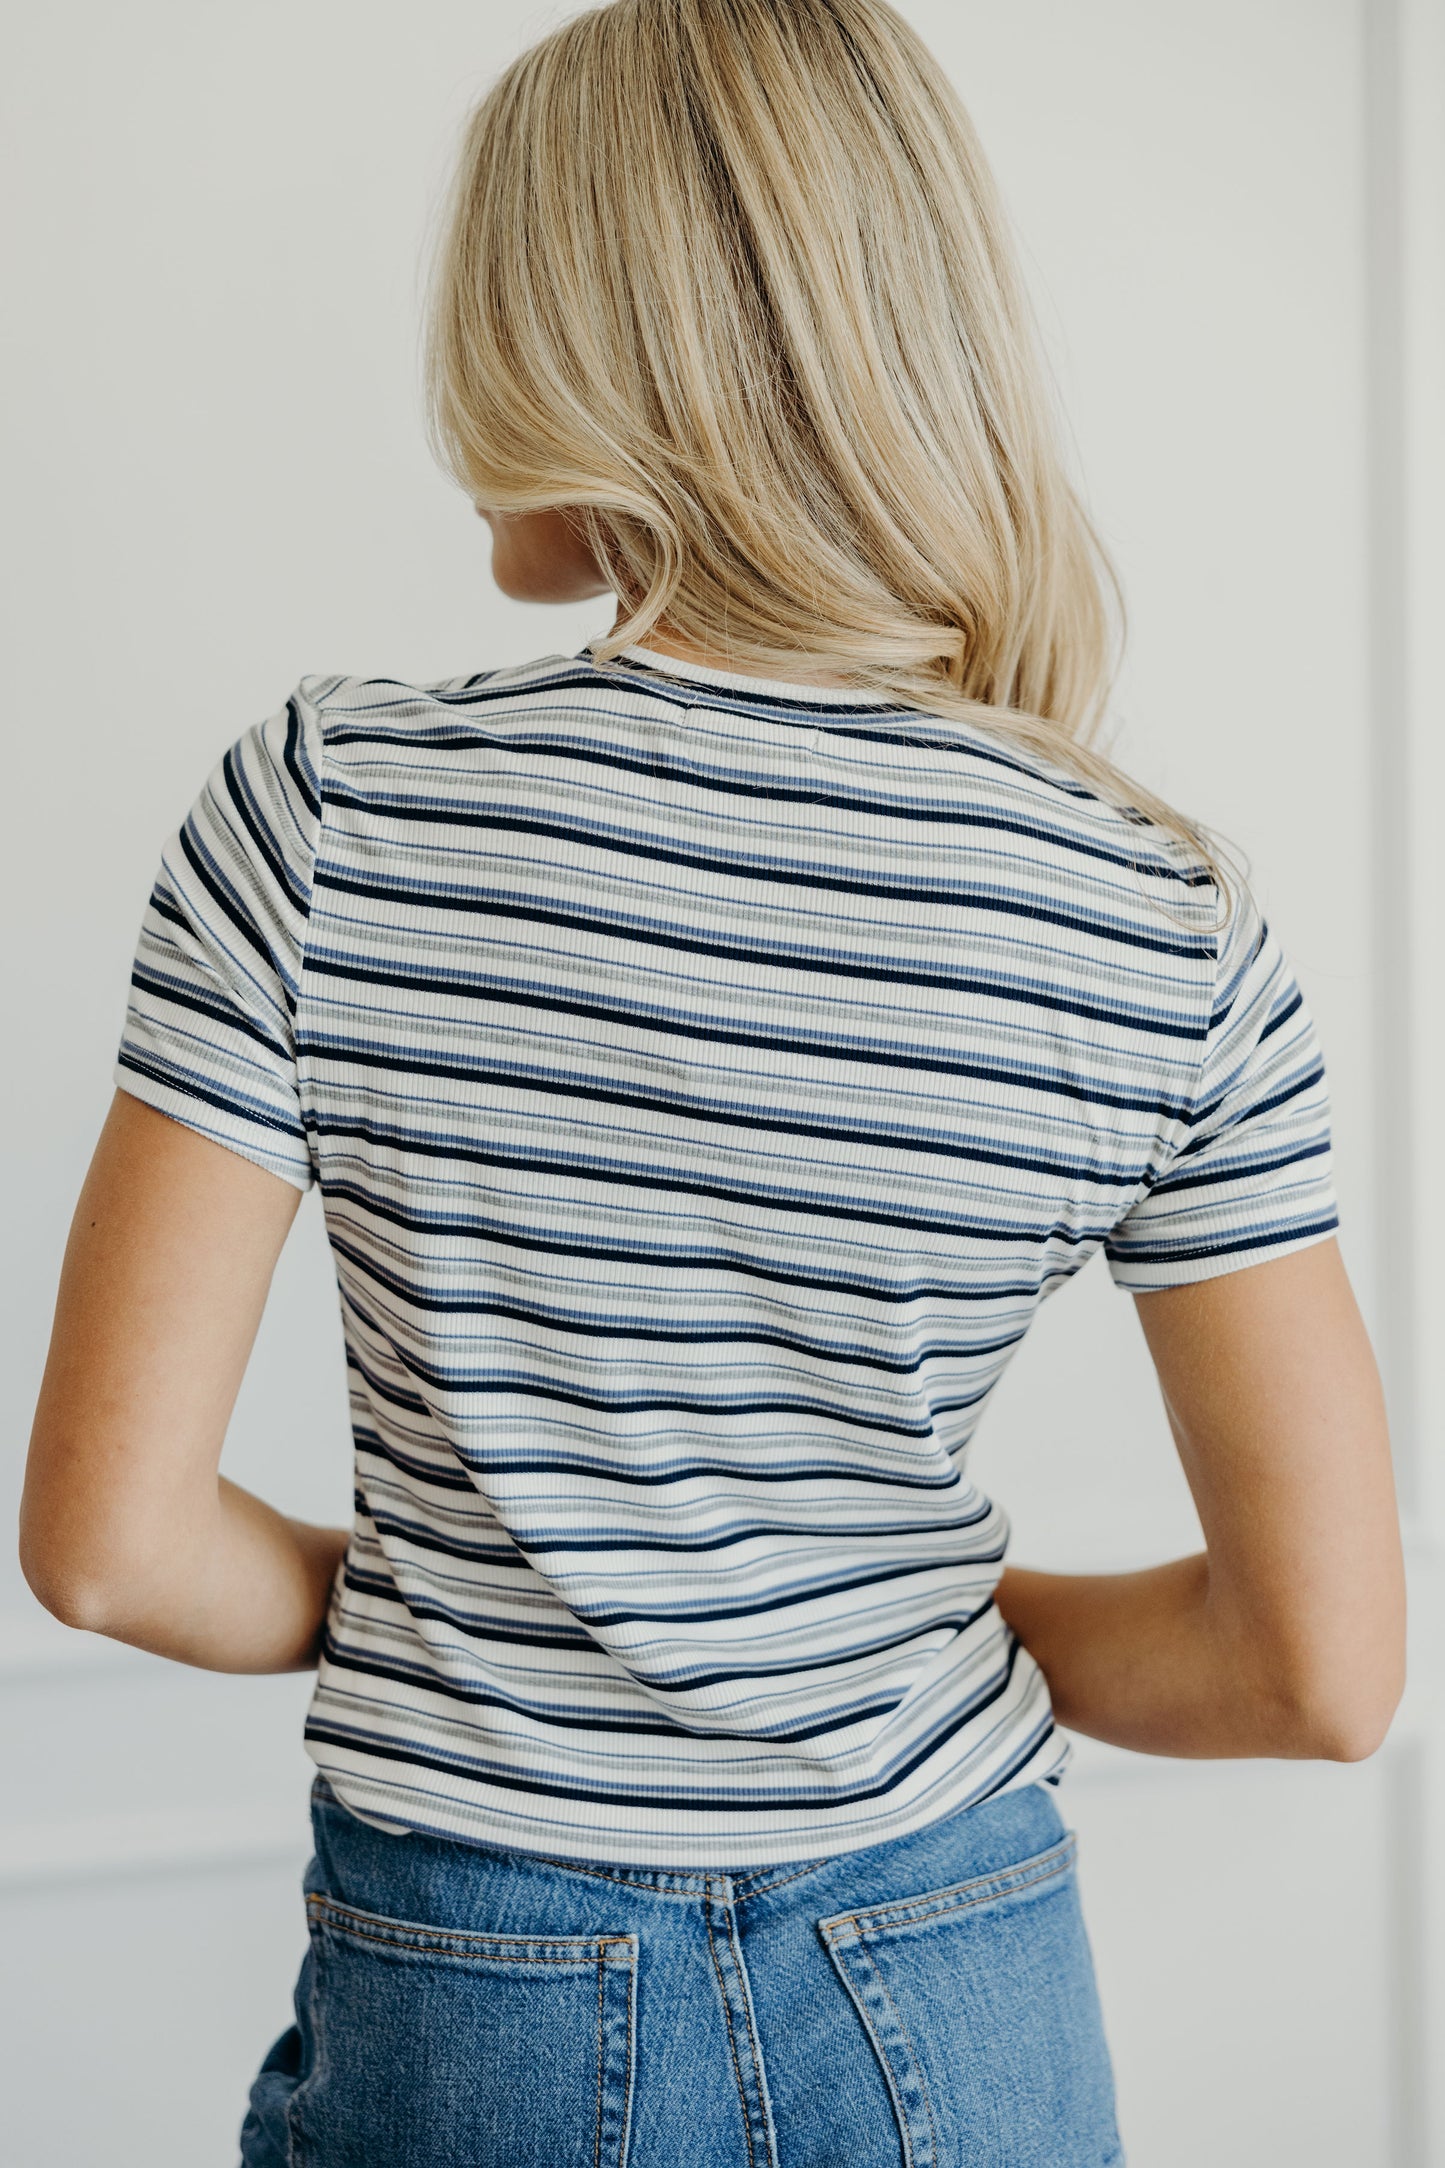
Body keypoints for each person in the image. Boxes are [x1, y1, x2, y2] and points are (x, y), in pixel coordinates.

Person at [19, 2, 1405, 2162]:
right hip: (955, 1956)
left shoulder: (331, 813)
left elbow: (108, 1549)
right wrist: (903, 1620)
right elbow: (1320, 1673)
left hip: (477, 1971)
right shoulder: (1153, 909)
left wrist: (461, 1598)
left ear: (568, 339)